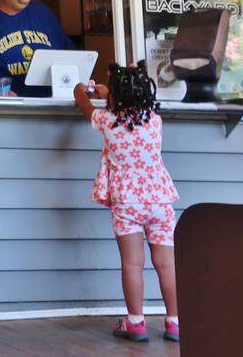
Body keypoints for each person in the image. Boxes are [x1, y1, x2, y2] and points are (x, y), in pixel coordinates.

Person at [74, 62, 180, 343]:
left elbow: (82, 102)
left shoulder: (107, 121)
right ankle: (175, 322)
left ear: (114, 97)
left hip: (127, 202)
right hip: (160, 200)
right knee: (167, 264)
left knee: (132, 264)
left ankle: (135, 322)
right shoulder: (155, 120)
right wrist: (111, 89)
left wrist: (82, 88)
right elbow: (126, 99)